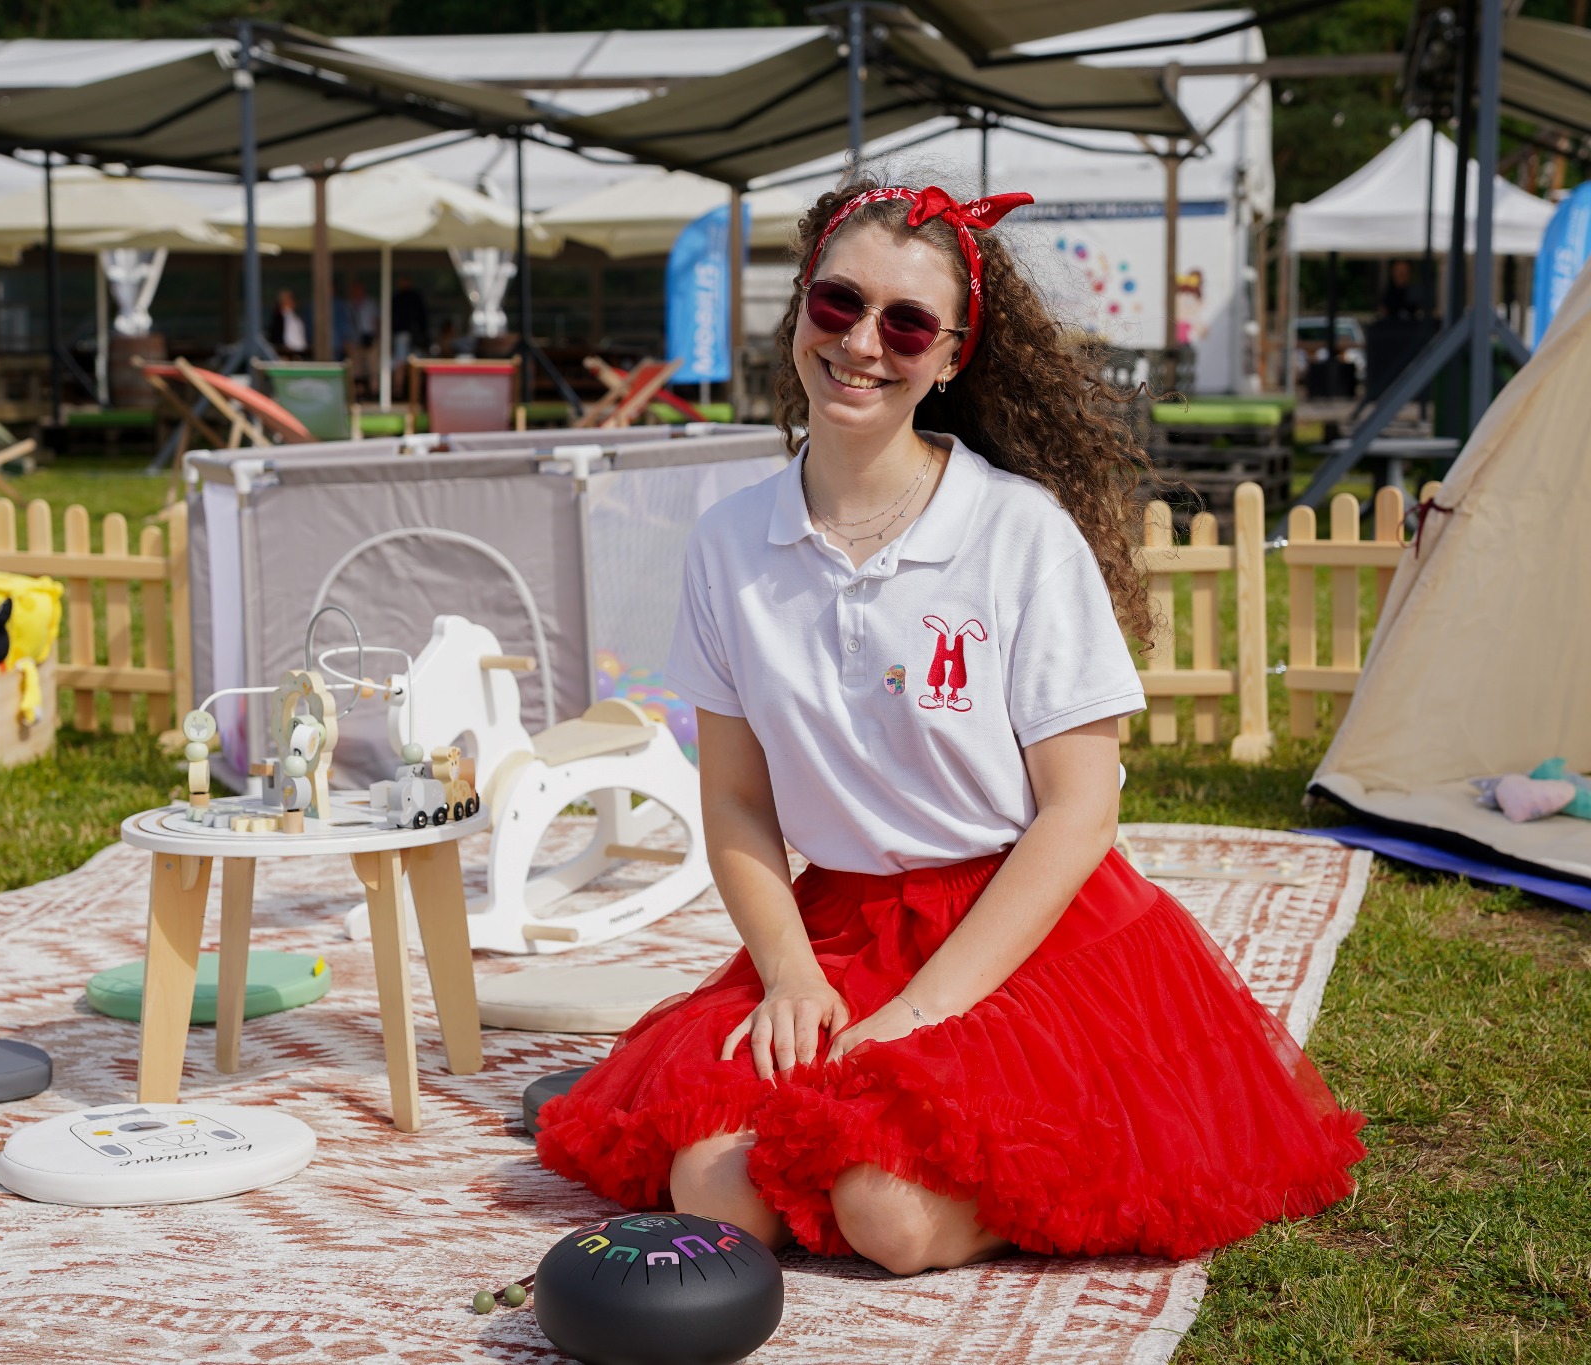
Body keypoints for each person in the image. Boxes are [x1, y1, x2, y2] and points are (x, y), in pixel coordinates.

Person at [535, 173, 1367, 1273]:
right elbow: (734, 799)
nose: (861, 343)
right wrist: (787, 973)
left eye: (906, 323)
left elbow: (1079, 813)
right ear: (799, 311)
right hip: (835, 932)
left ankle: (1045, 1162)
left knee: (887, 1214)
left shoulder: (1017, 533)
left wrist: (923, 1012)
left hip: (1017, 939)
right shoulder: (728, 542)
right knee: (715, 1185)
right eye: (837, 303)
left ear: (948, 356)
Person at [392, 275, 430, 367]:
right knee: (401, 361)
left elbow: (422, 316)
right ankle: (400, 381)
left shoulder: (415, 297)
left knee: (415, 362)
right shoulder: (396, 298)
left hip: (415, 334)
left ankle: (412, 381)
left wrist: (423, 333)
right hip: (402, 333)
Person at [266, 288, 308, 359]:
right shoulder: (278, 319)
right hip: (284, 354)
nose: (292, 302)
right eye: (289, 300)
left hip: (299, 353)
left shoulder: (296, 318)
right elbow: (275, 337)